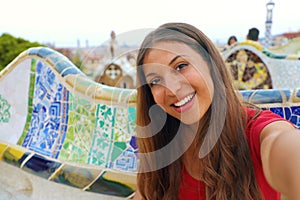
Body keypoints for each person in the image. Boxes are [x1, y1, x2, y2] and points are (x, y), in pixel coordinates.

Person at [133, 22, 300, 200]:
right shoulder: (161, 148)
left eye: (181, 66)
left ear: (211, 64)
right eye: (156, 80)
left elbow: (286, 148)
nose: (172, 89)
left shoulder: (257, 134)